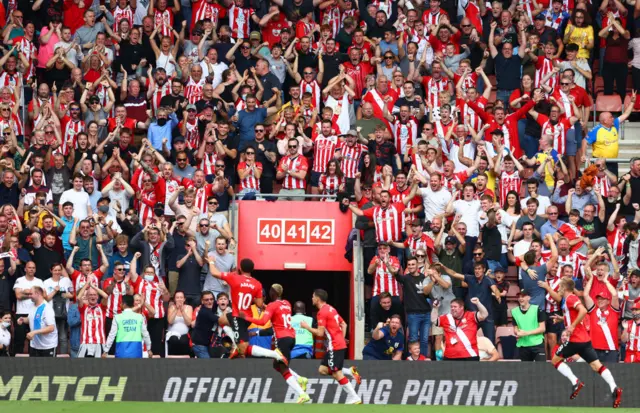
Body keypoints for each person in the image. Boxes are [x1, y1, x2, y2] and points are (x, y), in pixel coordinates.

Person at [551, 278, 622, 407]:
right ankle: (614, 388)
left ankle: (575, 381)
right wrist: (562, 319)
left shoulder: (570, 298)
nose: (558, 289)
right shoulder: (568, 300)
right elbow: (574, 315)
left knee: (555, 360)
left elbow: (583, 311)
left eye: (560, 286)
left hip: (575, 339)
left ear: (564, 288)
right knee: (597, 366)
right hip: (585, 340)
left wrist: (571, 326)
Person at [238, 284, 311, 404]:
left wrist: (246, 317)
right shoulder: (287, 303)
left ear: (272, 293)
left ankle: (302, 394)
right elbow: (277, 311)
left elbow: (262, 321)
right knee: (277, 365)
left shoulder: (272, 306)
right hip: (292, 338)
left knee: (282, 368)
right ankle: (300, 379)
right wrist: (267, 307)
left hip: (282, 339)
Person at [206, 256, 286, 363]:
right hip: (247, 317)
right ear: (252, 270)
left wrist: (211, 261)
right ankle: (235, 346)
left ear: (240, 268)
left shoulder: (234, 277)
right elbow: (259, 304)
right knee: (221, 320)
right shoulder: (257, 283)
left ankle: (274, 354)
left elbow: (214, 273)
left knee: (243, 351)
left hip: (238, 317)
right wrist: (267, 307)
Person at [300, 289, 362, 405]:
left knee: (336, 373)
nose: (312, 299)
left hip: (334, 345)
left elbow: (319, 333)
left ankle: (355, 397)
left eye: (313, 297)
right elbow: (344, 324)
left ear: (318, 299)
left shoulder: (321, 312)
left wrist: (306, 327)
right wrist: (342, 339)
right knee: (322, 370)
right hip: (336, 344)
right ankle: (349, 371)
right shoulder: (331, 308)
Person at [583, 271, 621, 363]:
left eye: (603, 298)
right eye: (598, 298)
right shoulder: (593, 311)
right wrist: (591, 279)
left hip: (611, 350)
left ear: (608, 301)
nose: (600, 300)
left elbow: (615, 295)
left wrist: (606, 281)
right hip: (594, 349)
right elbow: (585, 295)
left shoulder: (613, 311)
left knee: (611, 376)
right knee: (594, 376)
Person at [103, 294, 152, 358]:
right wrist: (149, 349)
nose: (120, 305)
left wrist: (106, 351)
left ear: (124, 304)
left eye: (121, 303)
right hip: (136, 352)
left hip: (121, 352)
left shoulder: (117, 317)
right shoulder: (139, 317)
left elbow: (112, 335)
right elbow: (145, 334)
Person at [17, 286, 58, 357]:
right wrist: (23, 319)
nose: (29, 296)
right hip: (34, 345)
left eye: (31, 294)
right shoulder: (33, 305)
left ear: (38, 294)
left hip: (48, 346)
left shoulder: (47, 308)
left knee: (48, 368)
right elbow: (31, 319)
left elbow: (51, 328)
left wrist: (34, 332)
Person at [512, 289, 547, 361]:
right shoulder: (514, 311)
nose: (521, 298)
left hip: (537, 344)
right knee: (526, 371)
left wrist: (526, 333)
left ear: (529, 297)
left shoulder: (537, 309)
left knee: (541, 369)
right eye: (519, 297)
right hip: (523, 345)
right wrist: (517, 332)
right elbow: (515, 328)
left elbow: (542, 328)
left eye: (523, 296)